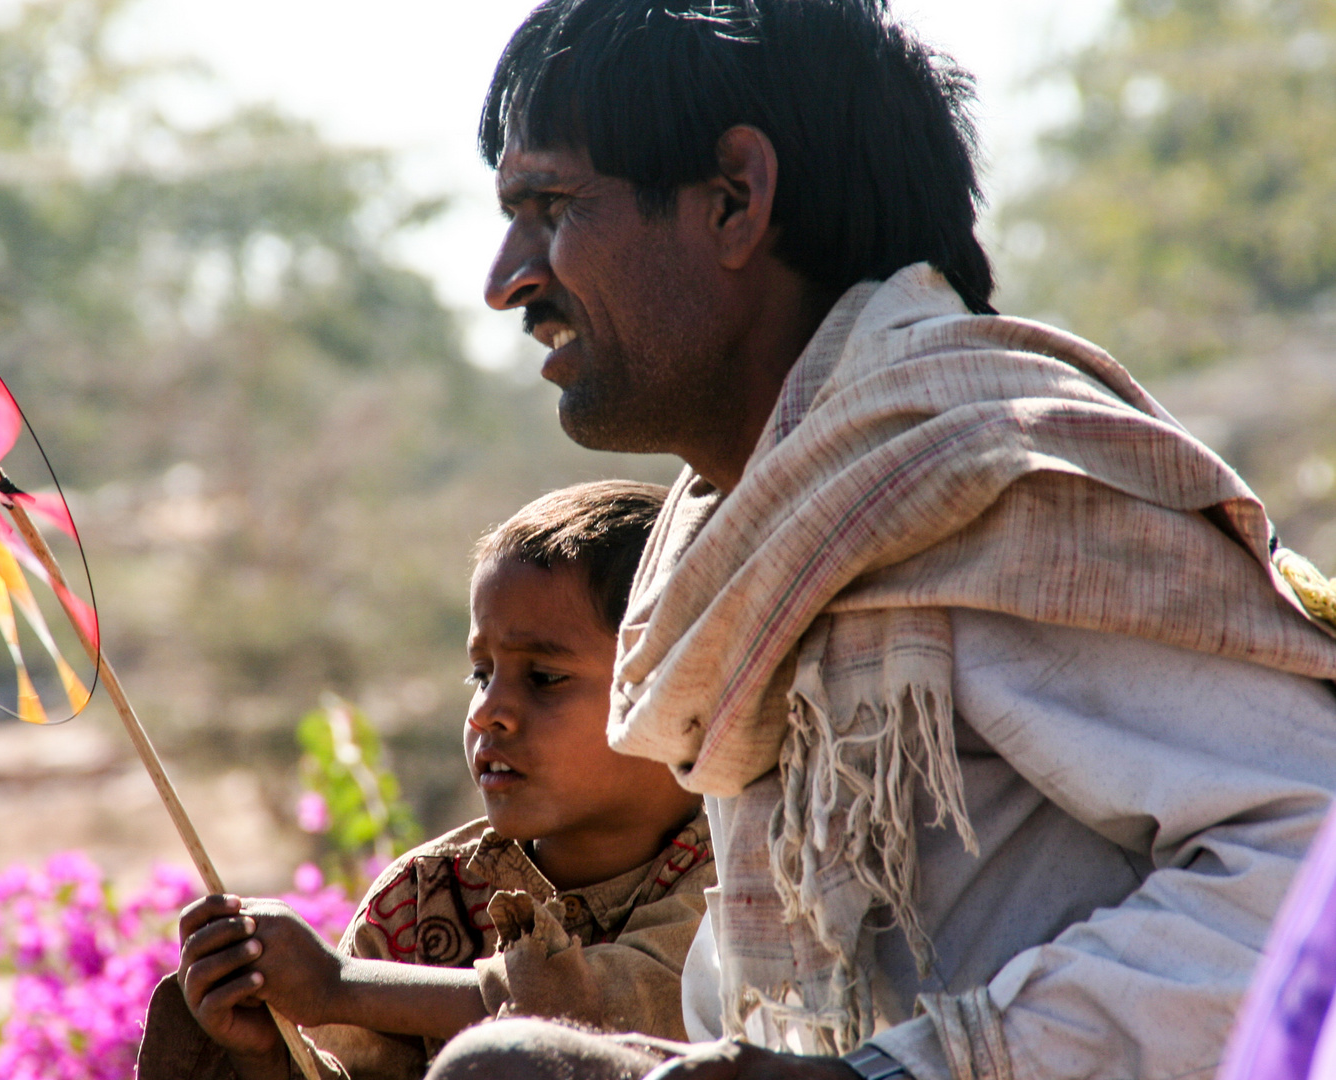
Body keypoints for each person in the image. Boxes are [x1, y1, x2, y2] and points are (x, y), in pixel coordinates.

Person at [424, 1, 1336, 1079]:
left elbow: (1310, 858)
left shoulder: (993, 480)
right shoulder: (762, 538)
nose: (508, 280)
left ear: (733, 198)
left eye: (550, 206)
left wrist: (911, 1072)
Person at [135, 481, 714, 1080]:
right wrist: (266, 1056)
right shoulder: (415, 901)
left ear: (676, 691)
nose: (489, 710)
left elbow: (617, 1008)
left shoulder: (741, 880)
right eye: (480, 675)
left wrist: (339, 985)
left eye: (543, 676)